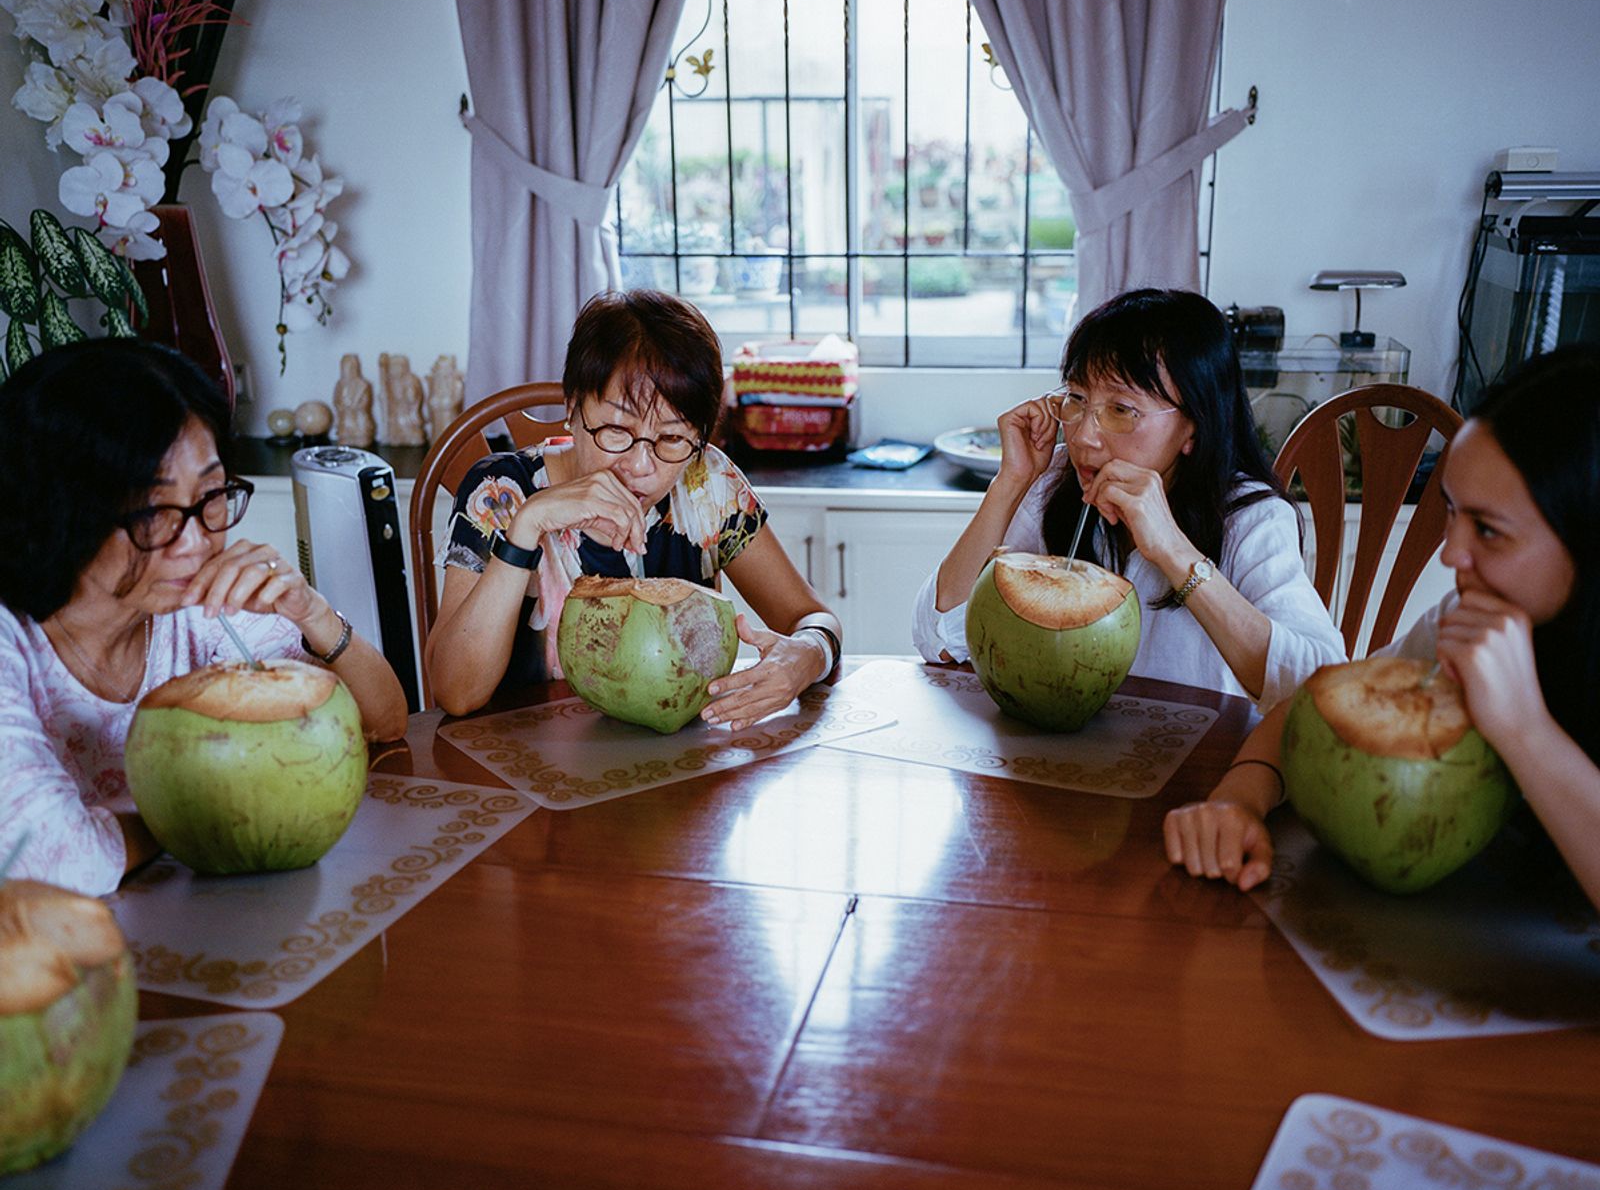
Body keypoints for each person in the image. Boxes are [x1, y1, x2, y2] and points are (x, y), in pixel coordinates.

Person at [1163, 346, 1600, 912]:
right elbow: (1316, 705)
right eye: (1451, 511)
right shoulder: (1461, 625)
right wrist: (1239, 799)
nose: (1452, 554)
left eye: (1489, 531)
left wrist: (1524, 728)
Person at [0, 339, 409, 897]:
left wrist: (310, 611)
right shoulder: (11, 639)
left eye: (212, 495)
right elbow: (56, 860)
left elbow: (379, 723)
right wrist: (221, 817)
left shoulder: (202, 606)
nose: (196, 542)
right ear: (59, 514)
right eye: (152, 512)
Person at [425, 289, 842, 726]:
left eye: (672, 437)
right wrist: (529, 524)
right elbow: (456, 692)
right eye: (616, 430)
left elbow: (811, 618)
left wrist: (809, 653)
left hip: (674, 762)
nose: (640, 466)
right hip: (530, 769)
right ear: (573, 408)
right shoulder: (500, 491)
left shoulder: (704, 481)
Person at [913, 287, 1344, 710]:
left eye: (1121, 410)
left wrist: (1174, 551)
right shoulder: (1052, 486)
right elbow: (938, 640)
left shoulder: (1252, 519)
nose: (1083, 436)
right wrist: (1011, 481)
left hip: (1193, 763)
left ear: (1193, 425)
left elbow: (1321, 688)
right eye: (1077, 399)